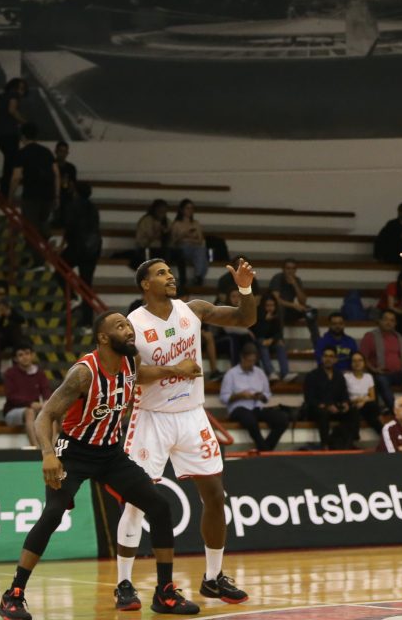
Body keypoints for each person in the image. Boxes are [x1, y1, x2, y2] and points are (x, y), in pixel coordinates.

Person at [0, 312, 200, 620]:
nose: (129, 329)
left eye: (128, 324)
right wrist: (48, 454)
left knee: (159, 507)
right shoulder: (83, 373)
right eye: (120, 326)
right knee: (53, 513)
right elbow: (45, 416)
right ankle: (13, 594)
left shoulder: (131, 362)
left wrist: (176, 370)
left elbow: (141, 375)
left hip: (110, 454)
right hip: (74, 452)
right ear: (103, 338)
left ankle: (164, 593)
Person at [114, 258, 257, 607]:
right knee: (136, 502)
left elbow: (245, 319)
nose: (170, 276)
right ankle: (124, 584)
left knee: (215, 495)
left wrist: (244, 288)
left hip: (192, 415)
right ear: (145, 284)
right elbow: (133, 374)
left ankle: (213, 578)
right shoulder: (133, 324)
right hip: (152, 418)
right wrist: (175, 369)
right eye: (161, 273)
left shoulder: (193, 310)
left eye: (169, 271)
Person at [220, 343, 289, 453]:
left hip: (257, 407)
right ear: (242, 358)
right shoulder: (231, 374)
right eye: (249, 361)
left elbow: (267, 394)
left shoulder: (260, 373)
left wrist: (261, 396)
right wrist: (240, 395)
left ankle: (264, 450)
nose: (251, 364)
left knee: (282, 418)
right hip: (239, 408)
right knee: (249, 419)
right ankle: (265, 450)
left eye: (253, 361)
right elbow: (223, 398)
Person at [10, 122, 60, 244]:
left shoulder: (21, 153)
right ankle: (46, 246)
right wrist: (57, 196)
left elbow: (16, 177)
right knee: (43, 224)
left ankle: (35, 252)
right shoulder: (46, 152)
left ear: (23, 136)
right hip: (48, 195)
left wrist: (10, 196)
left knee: (31, 230)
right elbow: (57, 174)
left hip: (31, 196)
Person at [303, 347, 358, 450]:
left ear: (336, 359)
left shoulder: (339, 376)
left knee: (353, 411)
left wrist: (345, 403)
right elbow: (309, 398)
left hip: (335, 408)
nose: (328, 359)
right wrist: (327, 406)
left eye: (331, 356)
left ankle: (348, 443)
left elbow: (344, 394)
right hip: (318, 409)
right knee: (322, 413)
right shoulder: (312, 375)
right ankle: (325, 445)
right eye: (326, 356)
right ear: (322, 358)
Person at [359, 309, 402, 408]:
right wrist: (374, 369)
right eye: (386, 319)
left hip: (398, 374)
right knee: (381, 381)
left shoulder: (399, 338)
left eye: (392, 320)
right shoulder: (370, 337)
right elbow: (362, 357)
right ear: (379, 321)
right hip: (381, 374)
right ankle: (394, 410)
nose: (389, 323)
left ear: (395, 323)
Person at [3, 344, 51, 447]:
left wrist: (46, 402)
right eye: (20, 355)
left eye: (27, 353)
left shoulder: (39, 373)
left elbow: (46, 390)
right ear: (15, 359)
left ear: (32, 355)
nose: (25, 357)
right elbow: (11, 396)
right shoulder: (10, 373)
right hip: (13, 411)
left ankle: (52, 448)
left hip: (34, 409)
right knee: (29, 412)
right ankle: (36, 449)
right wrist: (30, 404)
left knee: (51, 412)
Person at [268, 259, 320, 346]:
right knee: (280, 308)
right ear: (283, 269)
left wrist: (295, 284)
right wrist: (293, 305)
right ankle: (279, 340)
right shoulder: (278, 278)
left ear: (296, 270)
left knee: (310, 311)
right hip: (277, 311)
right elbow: (276, 300)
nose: (290, 271)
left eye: (293, 268)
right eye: (288, 268)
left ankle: (317, 342)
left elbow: (303, 301)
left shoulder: (297, 280)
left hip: (289, 311)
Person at [61, 181, 102, 288]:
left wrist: (62, 245)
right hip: (93, 247)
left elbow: (69, 227)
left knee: (60, 270)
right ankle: (84, 299)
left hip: (77, 246)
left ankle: (70, 293)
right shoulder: (93, 208)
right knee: (86, 282)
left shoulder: (72, 206)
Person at [0, 77, 27, 194]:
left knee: (8, 166)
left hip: (0, 136)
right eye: (21, 88)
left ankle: (3, 193)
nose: (22, 92)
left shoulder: (0, 98)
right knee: (11, 168)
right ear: (15, 88)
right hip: (9, 136)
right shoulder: (13, 95)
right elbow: (12, 110)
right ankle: (5, 195)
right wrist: (24, 122)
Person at [170, 199, 209, 287]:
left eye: (191, 208)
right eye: (187, 208)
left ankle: (198, 276)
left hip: (194, 247)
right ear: (182, 210)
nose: (190, 210)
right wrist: (184, 235)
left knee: (201, 250)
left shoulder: (196, 223)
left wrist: (187, 239)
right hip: (182, 249)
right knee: (197, 251)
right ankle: (199, 276)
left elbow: (200, 240)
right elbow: (173, 241)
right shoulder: (176, 224)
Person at [344, 351, 383, 437]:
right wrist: (357, 401)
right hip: (352, 405)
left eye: (360, 360)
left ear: (364, 362)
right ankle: (355, 437)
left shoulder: (368, 377)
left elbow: (372, 397)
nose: (357, 363)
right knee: (357, 412)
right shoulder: (346, 377)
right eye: (354, 361)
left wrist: (363, 401)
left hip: (366, 404)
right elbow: (344, 397)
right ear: (351, 363)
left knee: (372, 407)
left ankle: (384, 435)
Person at [251, 294, 290, 380]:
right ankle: (270, 372)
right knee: (262, 342)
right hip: (258, 341)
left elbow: (279, 333)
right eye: (267, 305)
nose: (270, 308)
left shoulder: (277, 315)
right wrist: (265, 321)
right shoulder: (256, 314)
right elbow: (257, 333)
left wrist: (272, 340)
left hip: (271, 341)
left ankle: (285, 373)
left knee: (280, 344)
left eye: (272, 305)